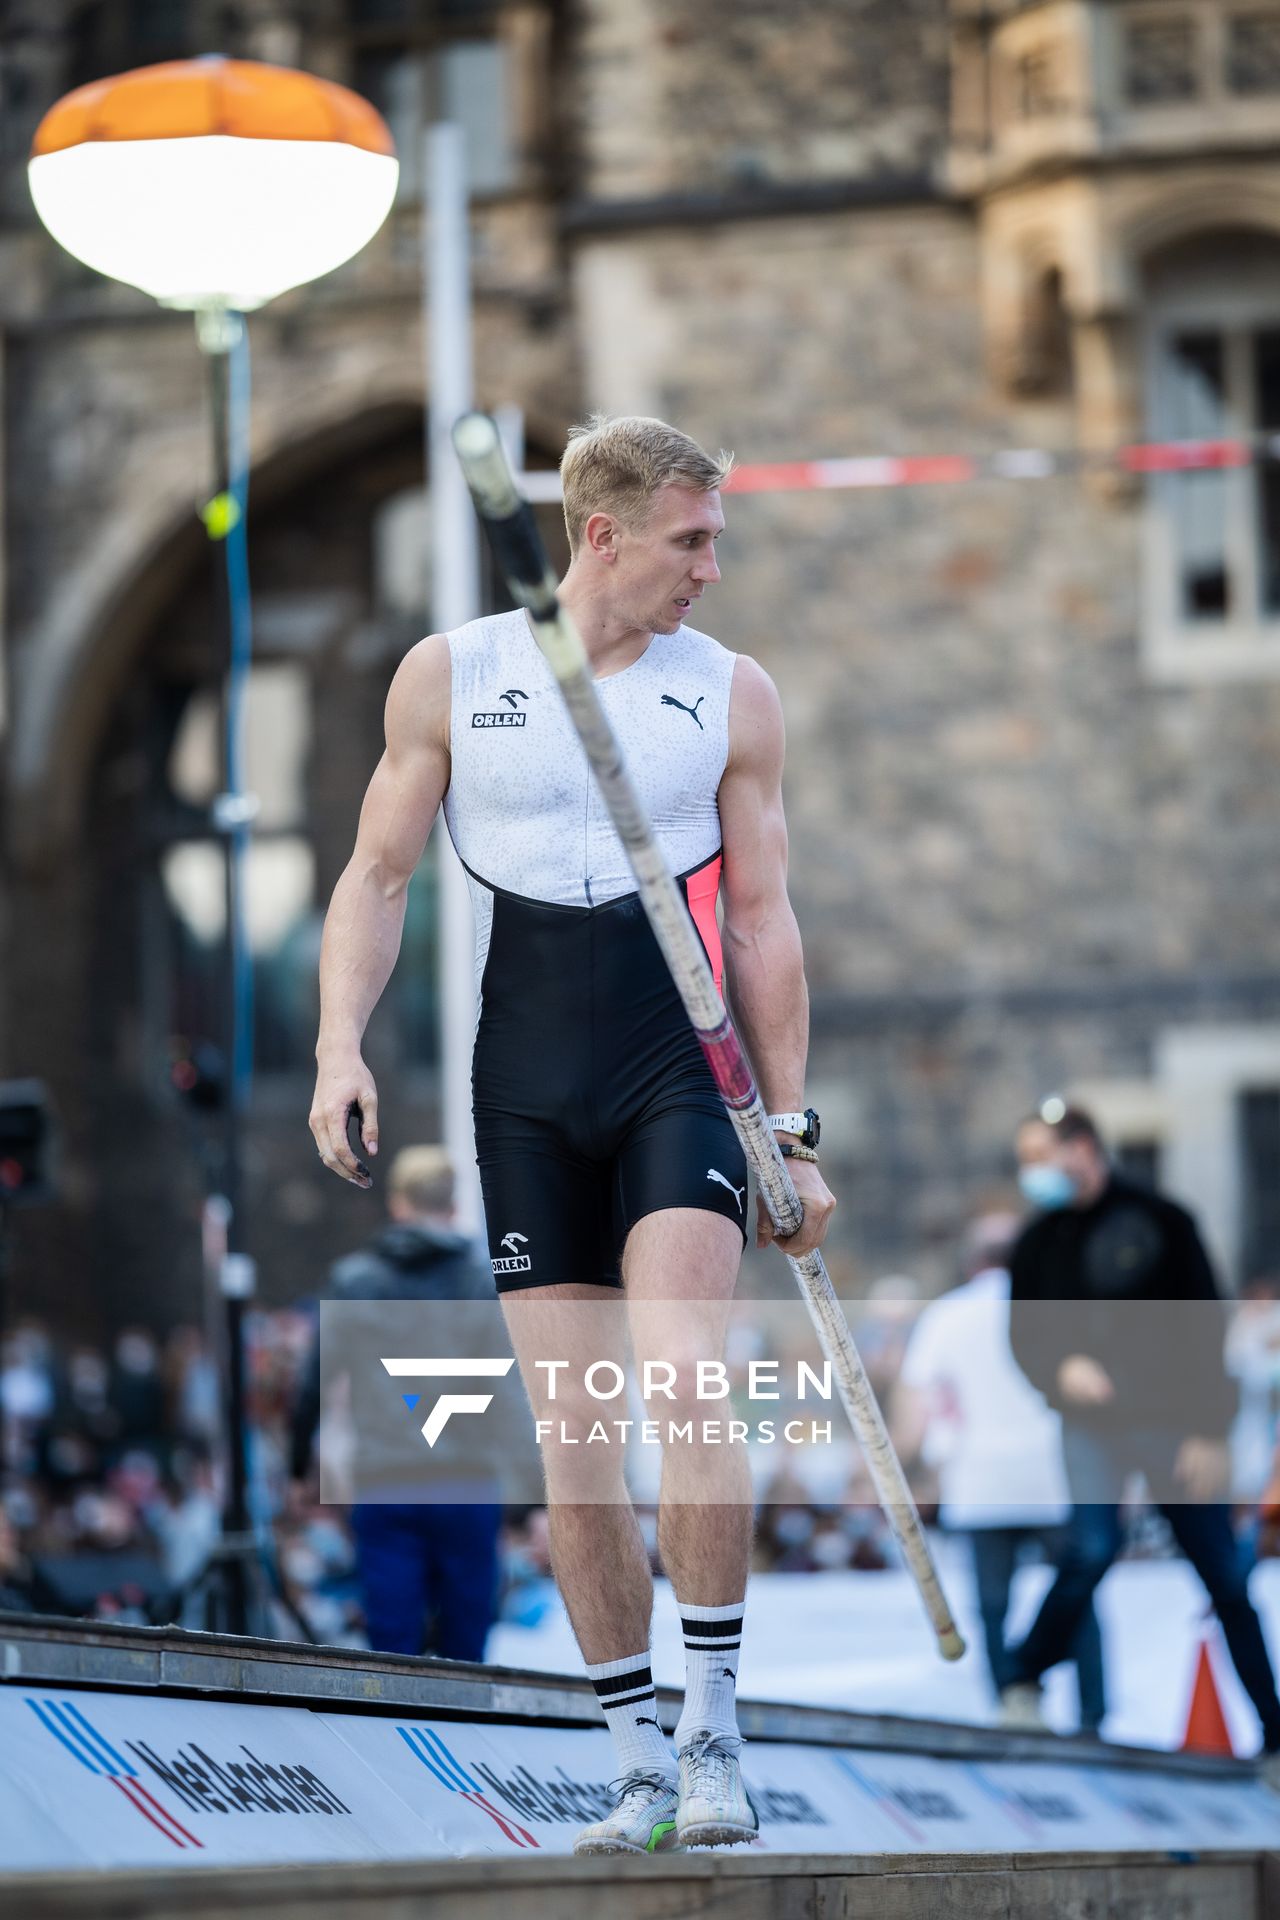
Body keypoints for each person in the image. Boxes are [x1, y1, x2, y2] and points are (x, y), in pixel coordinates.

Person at [310, 414, 836, 1853]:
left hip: (683, 1065)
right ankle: (630, 1759)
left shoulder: (729, 693)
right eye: (692, 540)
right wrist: (336, 1046)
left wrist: (789, 1130)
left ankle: (715, 1732)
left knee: (682, 1387)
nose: (713, 570)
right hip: (526, 1079)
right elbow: (377, 871)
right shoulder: (455, 675)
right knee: (576, 1442)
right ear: (601, 536)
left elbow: (763, 917)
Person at [1004, 1102, 1280, 1780]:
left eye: (1043, 1154)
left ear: (1084, 1147)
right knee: (1090, 1549)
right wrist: (1061, 1370)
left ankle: (1274, 1736)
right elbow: (1024, 1337)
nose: (1033, 1172)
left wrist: (1212, 1430)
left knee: (1221, 1573)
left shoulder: (1162, 1220)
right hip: (1092, 1427)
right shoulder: (1038, 1242)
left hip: (1174, 1428)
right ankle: (1024, 1679)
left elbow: (1206, 1328)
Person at [894, 1212, 1106, 1732]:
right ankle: (1093, 1713)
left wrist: (900, 1470)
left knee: (994, 1605)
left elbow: (916, 1407)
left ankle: (1011, 1705)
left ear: (973, 1261)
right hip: (1055, 1475)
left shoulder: (947, 1315)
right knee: (1075, 1597)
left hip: (980, 1478)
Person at [291, 1145, 502, 1662]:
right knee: (467, 1646)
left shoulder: (354, 1279)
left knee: (390, 1649)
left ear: (396, 1203)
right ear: (451, 1204)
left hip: (386, 1477)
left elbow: (313, 1380)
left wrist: (299, 1466)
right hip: (468, 1477)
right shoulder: (483, 1279)